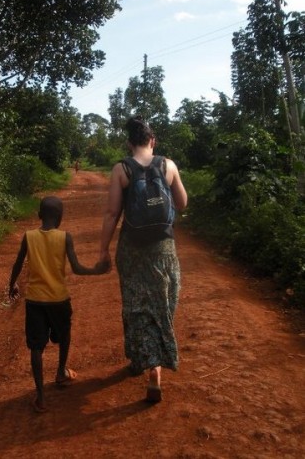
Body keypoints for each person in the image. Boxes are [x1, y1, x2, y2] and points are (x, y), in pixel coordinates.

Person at [99, 116, 188, 403]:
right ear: (153, 140)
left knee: (137, 304)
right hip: (164, 247)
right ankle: (157, 367)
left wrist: (102, 250)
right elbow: (182, 203)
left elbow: (112, 214)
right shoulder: (168, 165)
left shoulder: (121, 169)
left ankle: (141, 359)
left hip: (132, 248)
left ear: (129, 142)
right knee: (162, 301)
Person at [9, 195, 108, 413]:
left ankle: (41, 398)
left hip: (35, 300)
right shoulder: (65, 237)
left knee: (36, 347)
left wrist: (12, 284)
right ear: (60, 217)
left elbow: (18, 263)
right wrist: (97, 270)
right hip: (59, 299)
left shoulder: (29, 236)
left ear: (39, 215)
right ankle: (61, 371)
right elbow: (77, 268)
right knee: (64, 335)